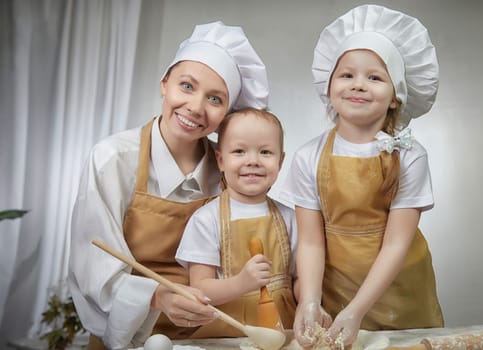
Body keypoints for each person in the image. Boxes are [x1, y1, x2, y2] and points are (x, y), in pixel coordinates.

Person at [68, 21, 269, 350]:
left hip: (207, 335)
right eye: (187, 86)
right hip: (130, 334)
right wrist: (158, 296)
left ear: (226, 114)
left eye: (215, 99)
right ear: (165, 83)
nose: (195, 107)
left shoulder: (228, 173)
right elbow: (94, 266)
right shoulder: (113, 159)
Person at [280, 4, 444, 348]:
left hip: (399, 289)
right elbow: (310, 241)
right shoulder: (308, 156)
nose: (359, 85)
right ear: (329, 85)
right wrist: (310, 300)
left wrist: (357, 310)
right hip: (334, 287)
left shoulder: (410, 155)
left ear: (396, 97)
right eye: (347, 75)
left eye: (374, 77)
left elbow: (397, 243)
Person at [176, 107, 297, 338]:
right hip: (227, 334)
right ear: (220, 160)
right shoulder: (206, 220)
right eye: (239, 151)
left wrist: (310, 305)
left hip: (282, 330)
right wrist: (242, 283)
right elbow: (200, 289)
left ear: (280, 161)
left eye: (265, 152)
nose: (253, 161)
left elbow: (299, 279)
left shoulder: (290, 218)